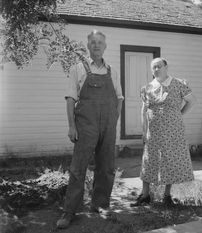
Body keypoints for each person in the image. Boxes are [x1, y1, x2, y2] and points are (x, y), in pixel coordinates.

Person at [56, 29, 123, 229]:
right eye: (93, 42)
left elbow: (119, 98)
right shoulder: (78, 68)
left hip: (108, 126)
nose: (96, 45)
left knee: (106, 167)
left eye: (100, 42)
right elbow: (71, 99)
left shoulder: (113, 71)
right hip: (85, 125)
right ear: (88, 45)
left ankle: (100, 204)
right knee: (78, 168)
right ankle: (70, 211)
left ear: (105, 46)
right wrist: (71, 126)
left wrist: (114, 121)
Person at [131, 57, 196, 207]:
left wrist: (179, 114)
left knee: (170, 160)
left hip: (173, 131)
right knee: (149, 160)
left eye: (159, 66)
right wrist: (144, 130)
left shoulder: (178, 84)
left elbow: (192, 101)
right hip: (153, 131)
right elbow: (144, 111)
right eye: (153, 67)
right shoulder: (147, 88)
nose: (156, 69)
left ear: (166, 67)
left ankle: (167, 196)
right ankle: (145, 195)